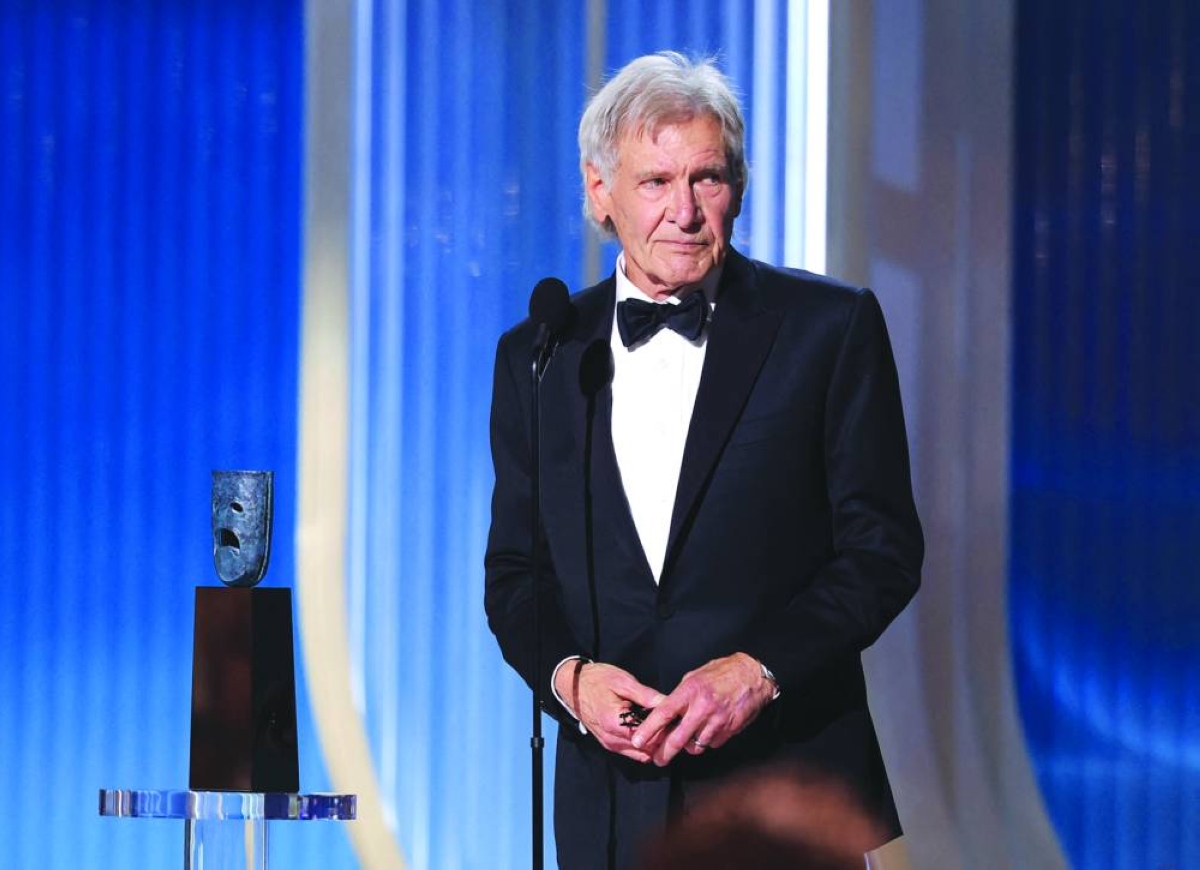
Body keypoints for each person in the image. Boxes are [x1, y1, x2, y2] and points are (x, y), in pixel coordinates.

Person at [485, 51, 922, 870]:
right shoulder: (540, 354)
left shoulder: (830, 329)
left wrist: (760, 671)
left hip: (787, 798)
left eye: (707, 179)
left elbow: (883, 553)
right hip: (609, 815)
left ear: (741, 187)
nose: (683, 211)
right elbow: (515, 575)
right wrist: (569, 680)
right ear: (598, 191)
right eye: (655, 182)